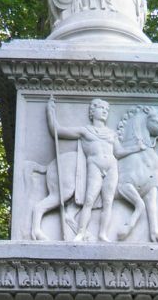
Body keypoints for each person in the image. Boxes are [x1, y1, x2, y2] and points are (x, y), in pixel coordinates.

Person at [47, 97, 146, 241]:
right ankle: (81, 232)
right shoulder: (85, 131)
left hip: (111, 167)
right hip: (94, 165)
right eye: (101, 109)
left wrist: (136, 148)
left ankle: (103, 234)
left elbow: (118, 152)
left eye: (107, 110)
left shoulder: (111, 133)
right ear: (93, 112)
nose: (105, 112)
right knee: (89, 200)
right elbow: (57, 130)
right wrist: (50, 112)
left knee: (108, 202)